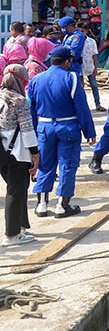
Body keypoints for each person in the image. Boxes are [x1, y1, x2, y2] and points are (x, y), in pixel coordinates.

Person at [28, 46, 96, 218]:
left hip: (44, 127)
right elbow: (82, 107)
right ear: (67, 62)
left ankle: (41, 204)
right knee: (67, 165)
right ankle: (62, 205)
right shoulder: (71, 78)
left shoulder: (36, 79)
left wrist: (32, 134)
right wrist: (89, 132)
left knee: (44, 164)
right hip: (67, 126)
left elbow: (31, 110)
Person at [0, 64, 39, 246]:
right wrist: (35, 155)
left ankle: (21, 227)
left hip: (2, 153)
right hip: (17, 154)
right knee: (15, 193)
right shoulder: (19, 102)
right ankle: (12, 235)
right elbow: (27, 131)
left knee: (16, 190)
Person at [80, 23, 105, 111]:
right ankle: (83, 105)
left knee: (94, 86)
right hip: (80, 67)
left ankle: (98, 104)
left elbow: (94, 55)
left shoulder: (91, 41)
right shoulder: (75, 41)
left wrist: (95, 68)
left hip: (90, 66)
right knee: (81, 87)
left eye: (82, 31)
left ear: (87, 31)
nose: (81, 33)